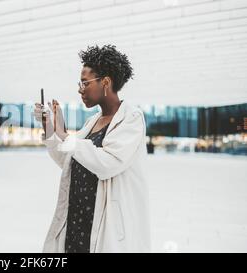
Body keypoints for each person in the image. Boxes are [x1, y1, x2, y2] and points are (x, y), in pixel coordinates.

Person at [34, 45, 150, 253]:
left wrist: (65, 136)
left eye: (85, 83)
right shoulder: (92, 122)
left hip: (106, 229)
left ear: (105, 82)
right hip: (77, 225)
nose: (80, 89)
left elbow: (107, 164)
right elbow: (69, 160)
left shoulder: (131, 119)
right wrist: (51, 130)